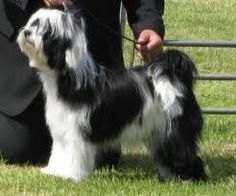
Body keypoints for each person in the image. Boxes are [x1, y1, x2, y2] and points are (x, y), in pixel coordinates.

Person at [0, 0, 165, 167]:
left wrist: (148, 23)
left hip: (96, 78)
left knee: (102, 158)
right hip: (19, 65)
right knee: (15, 148)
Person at [0, 0, 52, 164]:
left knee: (104, 156)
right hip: (17, 52)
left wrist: (135, 22)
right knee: (15, 149)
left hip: (87, 66)